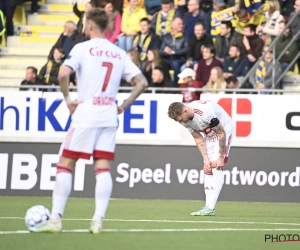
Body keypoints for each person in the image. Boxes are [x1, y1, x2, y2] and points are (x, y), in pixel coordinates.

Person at [30, 8, 148, 234]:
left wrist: (68, 99)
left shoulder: (82, 48)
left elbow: (63, 73)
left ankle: (55, 219)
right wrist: (123, 105)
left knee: (66, 164)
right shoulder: (118, 53)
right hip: (109, 115)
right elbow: (141, 82)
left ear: (90, 25)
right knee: (102, 168)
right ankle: (97, 220)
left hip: (87, 112)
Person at [167, 101, 234, 216]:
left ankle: (211, 208)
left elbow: (221, 133)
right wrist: (206, 159)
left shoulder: (204, 112)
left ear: (185, 111)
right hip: (209, 134)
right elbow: (198, 138)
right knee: (208, 168)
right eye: (179, 121)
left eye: (181, 119)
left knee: (216, 166)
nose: (181, 122)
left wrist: (221, 157)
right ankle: (207, 206)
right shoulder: (184, 120)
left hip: (224, 129)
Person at [160, 17, 188, 84]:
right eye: (179, 24)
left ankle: (176, 85)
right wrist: (165, 51)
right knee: (161, 64)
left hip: (180, 59)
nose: (181, 26)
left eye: (182, 24)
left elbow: (186, 50)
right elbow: (160, 51)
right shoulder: (167, 36)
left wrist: (172, 52)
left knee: (176, 64)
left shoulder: (185, 37)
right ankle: (166, 85)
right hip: (168, 59)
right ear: (173, 25)